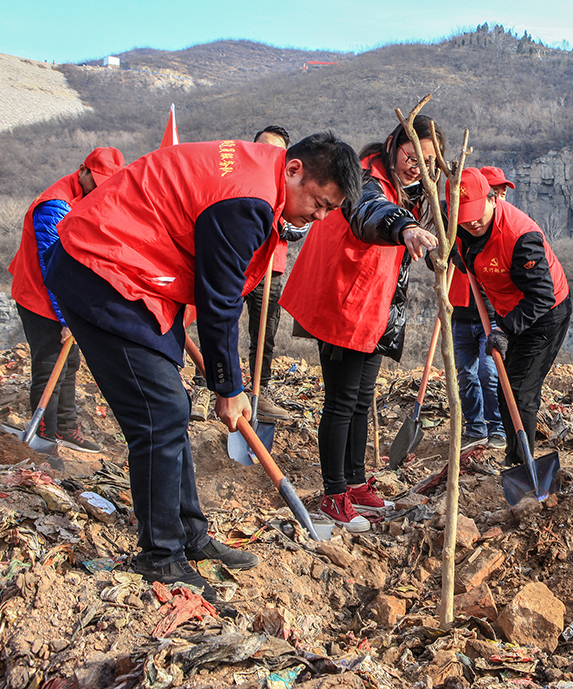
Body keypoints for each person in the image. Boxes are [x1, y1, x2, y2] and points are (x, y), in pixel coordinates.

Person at [45, 134, 362, 598]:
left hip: (138, 268)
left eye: (326, 211)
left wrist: (222, 381)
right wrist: (229, 387)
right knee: (159, 416)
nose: (316, 218)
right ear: (294, 170)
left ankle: (191, 537)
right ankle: (161, 557)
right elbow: (220, 301)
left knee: (171, 407)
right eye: (317, 203)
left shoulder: (262, 177)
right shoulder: (248, 200)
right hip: (103, 267)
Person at [281, 117, 443, 533]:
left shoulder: (409, 192)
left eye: (428, 161)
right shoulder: (366, 178)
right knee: (341, 400)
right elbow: (369, 212)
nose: (416, 166)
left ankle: (354, 481)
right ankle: (333, 494)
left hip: (375, 306)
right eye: (412, 155)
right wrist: (403, 226)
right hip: (344, 300)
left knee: (360, 397)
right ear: (393, 145)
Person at [8, 147, 125, 453]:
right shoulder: (55, 205)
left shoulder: (90, 196)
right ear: (82, 170)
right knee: (49, 363)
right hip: (39, 294)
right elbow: (53, 267)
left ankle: (65, 427)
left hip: (66, 293)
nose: (99, 188)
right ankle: (44, 439)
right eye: (95, 180)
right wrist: (65, 318)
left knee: (70, 361)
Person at [452, 168, 571, 467]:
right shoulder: (462, 225)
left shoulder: (520, 236)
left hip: (545, 314)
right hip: (511, 310)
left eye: (477, 213)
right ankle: (517, 460)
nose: (473, 222)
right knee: (507, 390)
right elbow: (463, 252)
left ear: (492, 199)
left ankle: (521, 464)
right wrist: (448, 256)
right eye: (464, 217)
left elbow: (541, 296)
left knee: (518, 391)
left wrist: (504, 329)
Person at [191, 125, 303, 422]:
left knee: (264, 334)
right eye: (263, 146)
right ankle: (206, 386)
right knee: (217, 317)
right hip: (235, 264)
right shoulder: (243, 181)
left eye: (276, 149)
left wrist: (276, 218)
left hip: (269, 269)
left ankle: (257, 390)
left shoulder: (292, 189)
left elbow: (297, 228)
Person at [447, 167, 514, 449]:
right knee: (465, 374)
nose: (501, 193)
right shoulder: (462, 223)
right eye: (496, 188)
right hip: (461, 311)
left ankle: (497, 427)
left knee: (490, 372)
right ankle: (475, 428)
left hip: (491, 314)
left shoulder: (501, 225)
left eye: (502, 190)